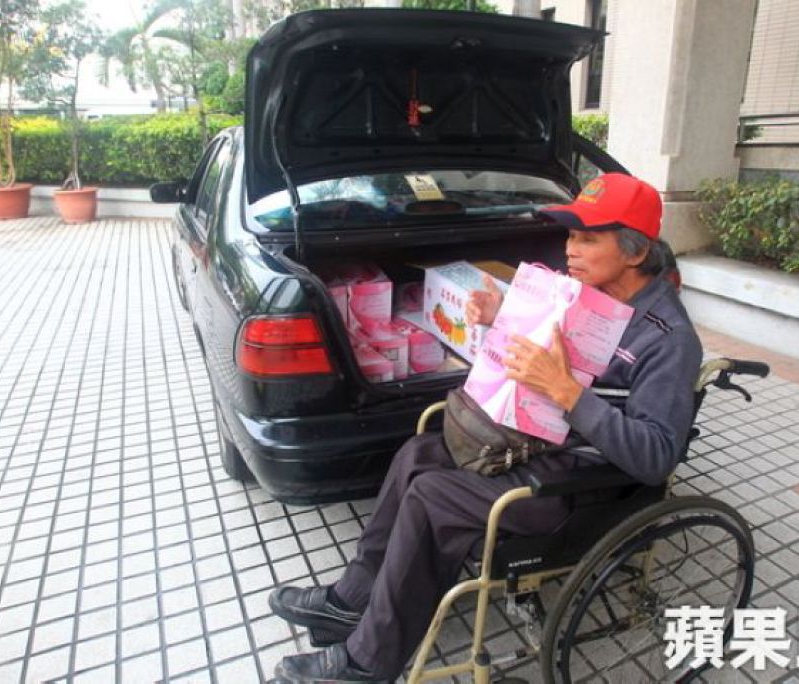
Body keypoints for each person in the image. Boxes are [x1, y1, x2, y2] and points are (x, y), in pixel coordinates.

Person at [271, 173, 704, 682]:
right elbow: (544, 350)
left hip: (579, 484)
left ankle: (369, 661)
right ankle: (351, 600)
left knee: (432, 496)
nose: (570, 249)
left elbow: (656, 457)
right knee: (416, 454)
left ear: (636, 252)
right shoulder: (584, 296)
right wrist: (503, 317)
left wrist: (565, 392)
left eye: (589, 238)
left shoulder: (668, 339)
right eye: (570, 235)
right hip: (537, 443)